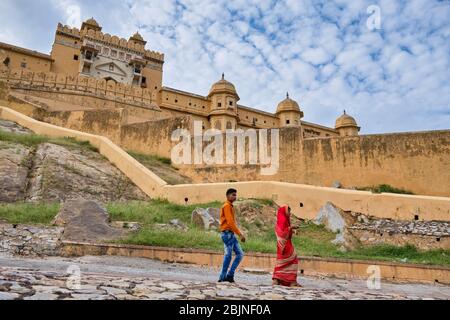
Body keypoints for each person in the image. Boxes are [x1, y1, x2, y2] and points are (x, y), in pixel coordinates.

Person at [218, 188, 246, 283]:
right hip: (227, 234)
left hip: (231, 234)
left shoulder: (230, 206)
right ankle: (222, 277)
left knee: (240, 254)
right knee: (228, 255)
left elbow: (231, 222)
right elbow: (230, 222)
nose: (235, 196)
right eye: (233, 195)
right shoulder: (226, 206)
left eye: (235, 195)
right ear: (228, 196)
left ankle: (230, 275)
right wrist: (240, 234)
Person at [272, 205, 302, 287]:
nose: (289, 213)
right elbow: (282, 232)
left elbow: (286, 230)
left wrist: (292, 230)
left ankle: (277, 279)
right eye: (288, 211)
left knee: (281, 262)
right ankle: (291, 281)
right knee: (293, 260)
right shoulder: (283, 220)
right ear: (284, 211)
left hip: (282, 245)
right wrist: (291, 227)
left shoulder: (285, 220)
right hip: (285, 245)